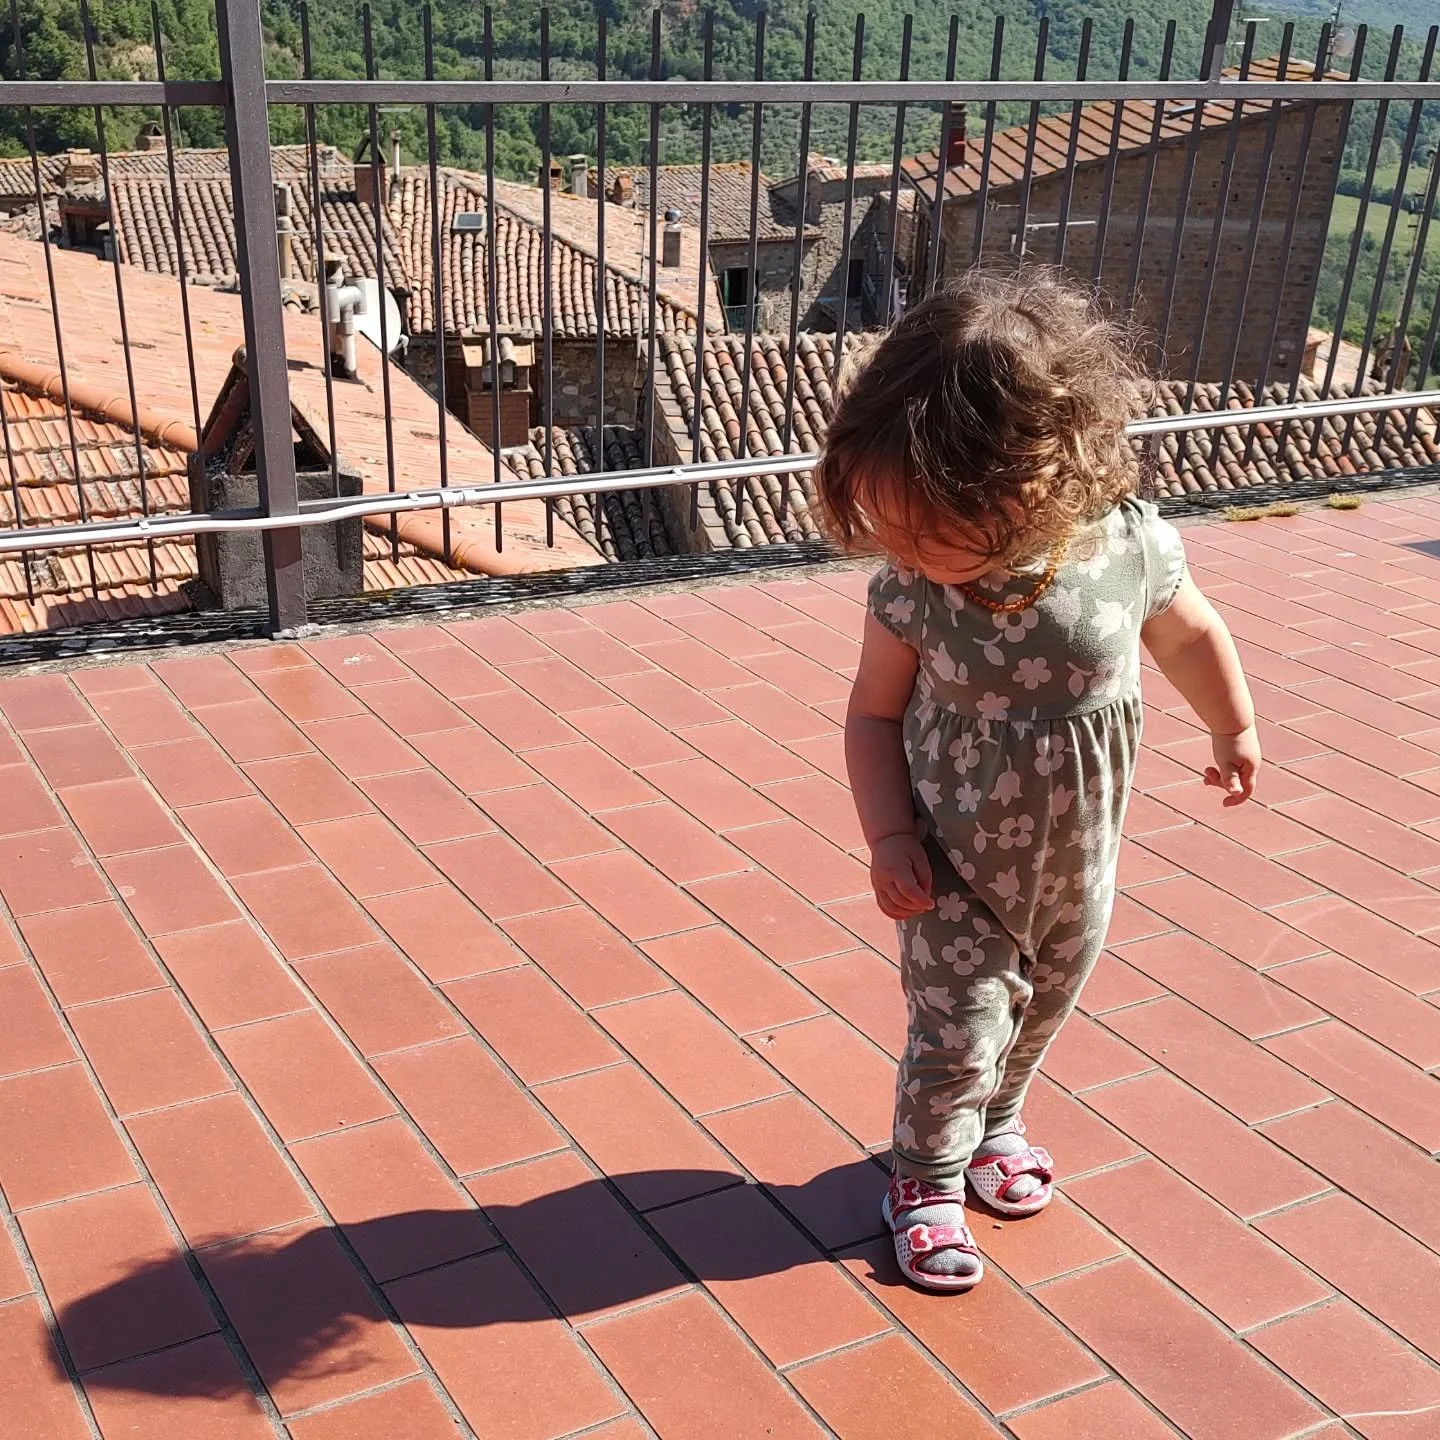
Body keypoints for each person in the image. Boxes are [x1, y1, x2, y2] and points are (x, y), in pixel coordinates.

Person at [816, 270, 1259, 1291]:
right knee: (960, 1022)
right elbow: (873, 714)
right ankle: (922, 1181)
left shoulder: (1128, 549)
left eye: (929, 527)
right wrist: (888, 837)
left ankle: (998, 1125)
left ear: (1033, 480)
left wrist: (1232, 722)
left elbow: (1190, 633)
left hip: (1079, 862)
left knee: (1041, 1007)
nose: (908, 551)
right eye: (890, 529)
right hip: (951, 862)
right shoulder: (916, 592)